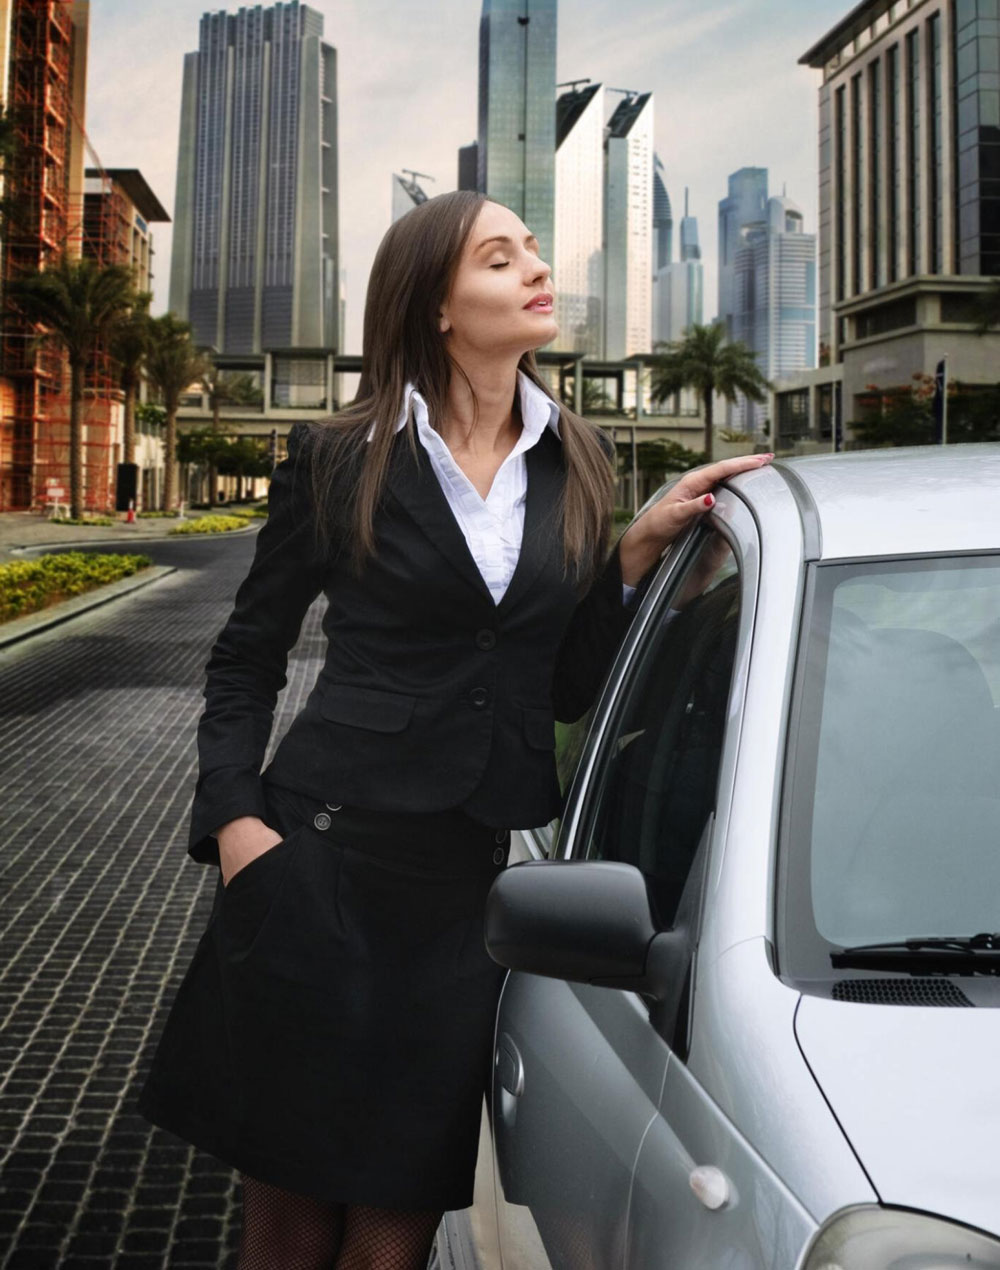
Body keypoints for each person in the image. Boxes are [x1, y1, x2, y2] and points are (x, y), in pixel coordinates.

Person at [136, 190, 770, 1270]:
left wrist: (626, 564)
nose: (534, 267)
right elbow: (245, 655)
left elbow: (559, 690)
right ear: (436, 303)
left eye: (532, 249)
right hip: (317, 862)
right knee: (288, 1220)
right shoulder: (341, 454)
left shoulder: (578, 458)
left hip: (463, 899)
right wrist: (239, 827)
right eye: (498, 256)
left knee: (394, 1222)